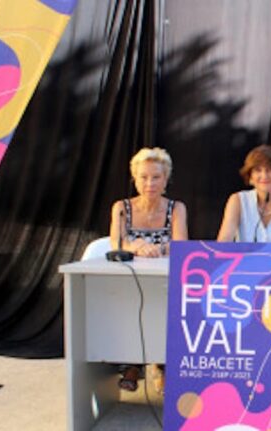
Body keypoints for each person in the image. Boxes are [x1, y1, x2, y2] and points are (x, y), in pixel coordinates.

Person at [109, 147, 188, 393]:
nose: (150, 183)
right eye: (144, 177)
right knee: (129, 306)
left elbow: (181, 243)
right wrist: (135, 246)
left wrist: (158, 248)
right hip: (130, 280)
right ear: (135, 178)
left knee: (166, 309)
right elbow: (117, 242)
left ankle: (163, 367)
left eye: (156, 177)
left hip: (166, 280)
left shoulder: (176, 208)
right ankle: (133, 365)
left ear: (166, 180)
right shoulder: (121, 207)